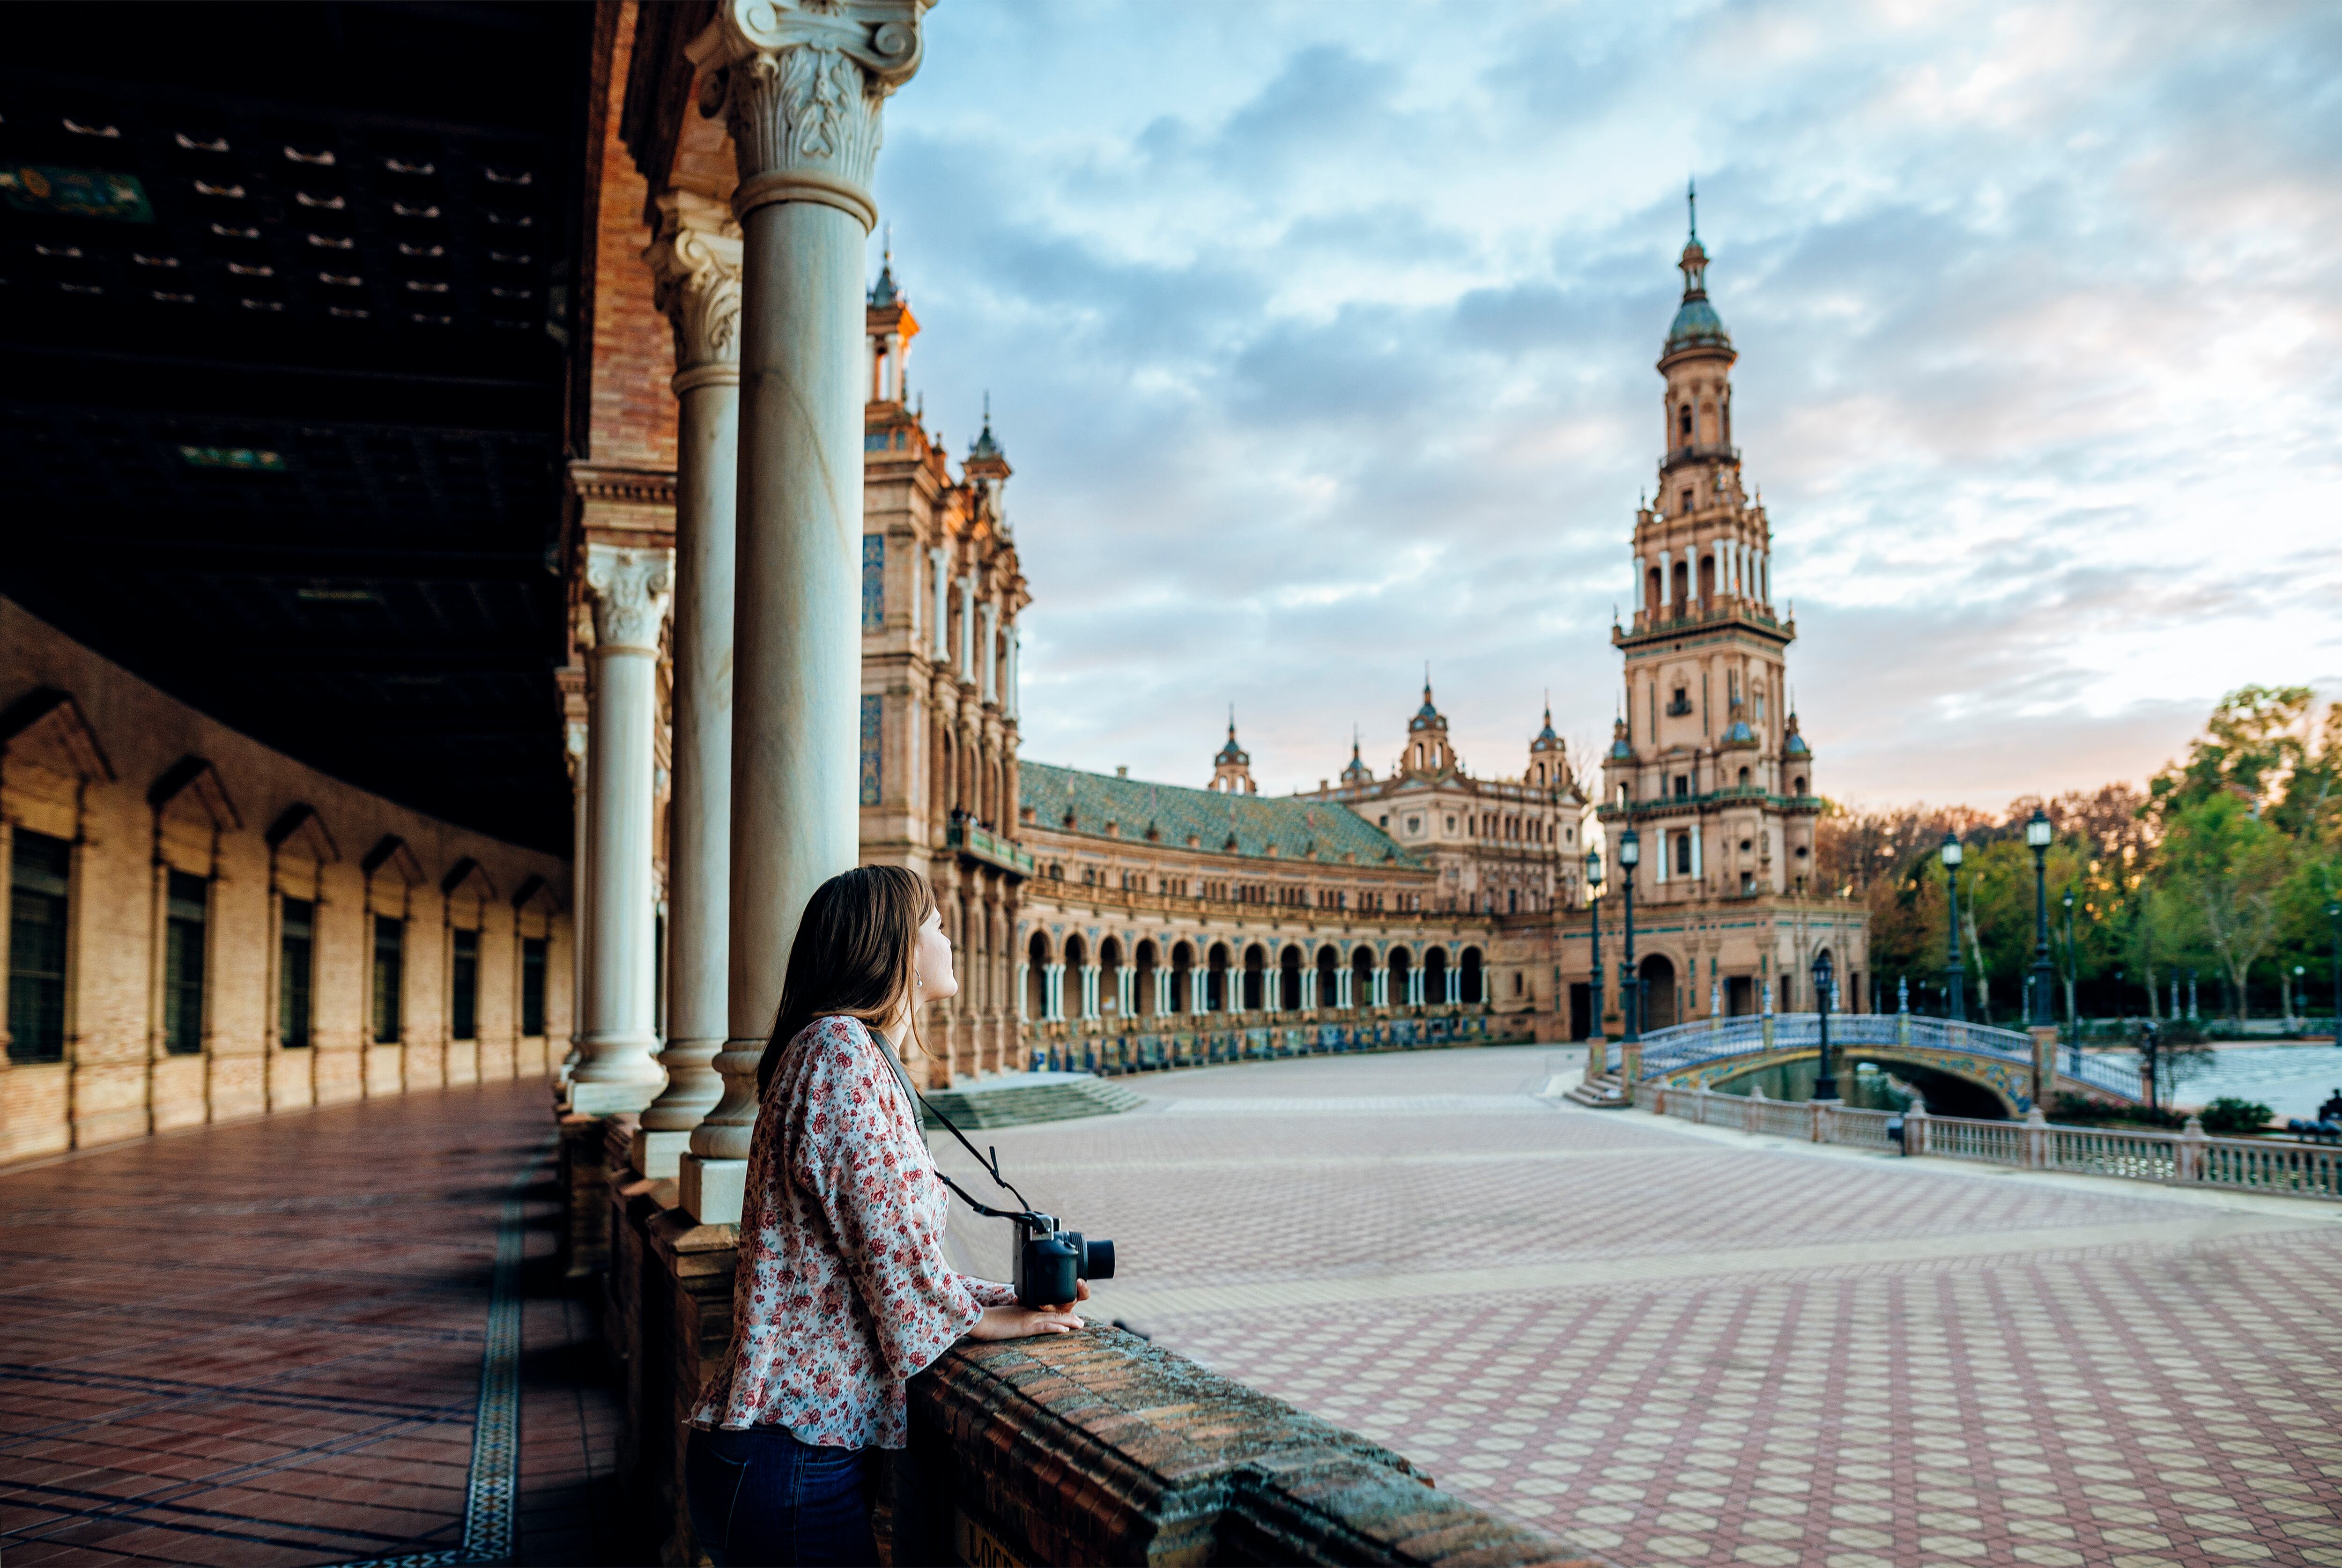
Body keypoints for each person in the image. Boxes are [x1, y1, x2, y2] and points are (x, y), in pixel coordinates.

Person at [682, 865, 1087, 1566]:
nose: (947, 937)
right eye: (933, 924)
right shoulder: (840, 1054)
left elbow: (875, 1260)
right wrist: (981, 1317)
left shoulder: (847, 1053)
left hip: (793, 1455)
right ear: (894, 945)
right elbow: (897, 1274)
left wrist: (1000, 1297)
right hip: (794, 1461)